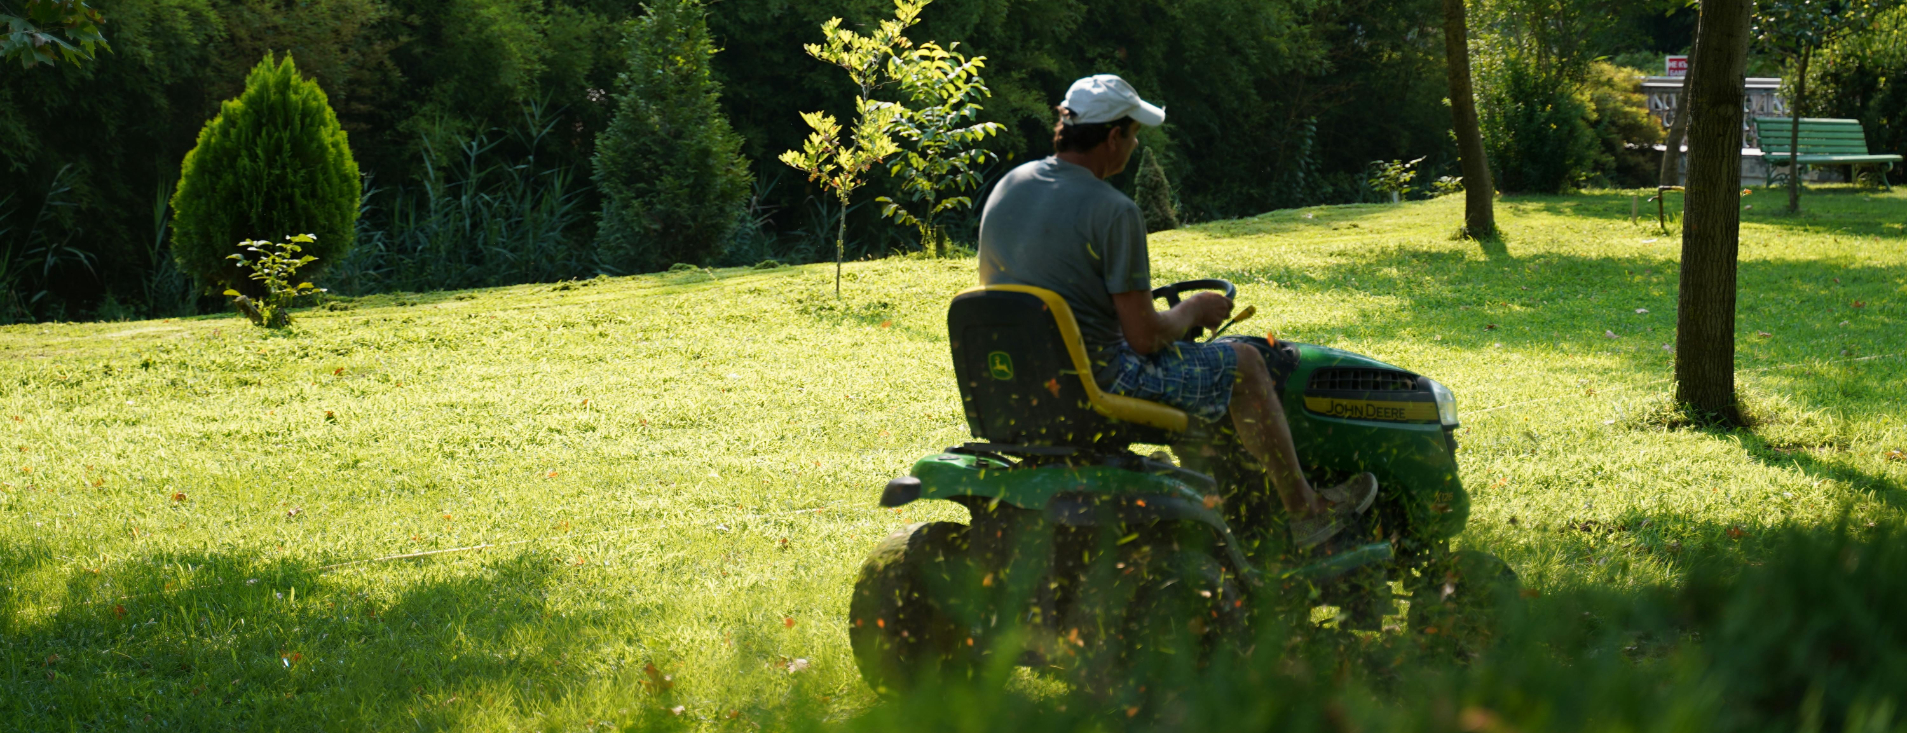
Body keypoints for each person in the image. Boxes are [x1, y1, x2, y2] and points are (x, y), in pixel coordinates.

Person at [975, 74, 1377, 548]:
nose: (1135, 144)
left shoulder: (1009, 187)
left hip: (1020, 382)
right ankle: (1306, 511)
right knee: (1245, 363)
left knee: (1198, 365)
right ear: (1112, 138)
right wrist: (1194, 309)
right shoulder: (1113, 210)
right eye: (1134, 133)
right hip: (1099, 383)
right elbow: (1146, 338)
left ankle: (1217, 505)